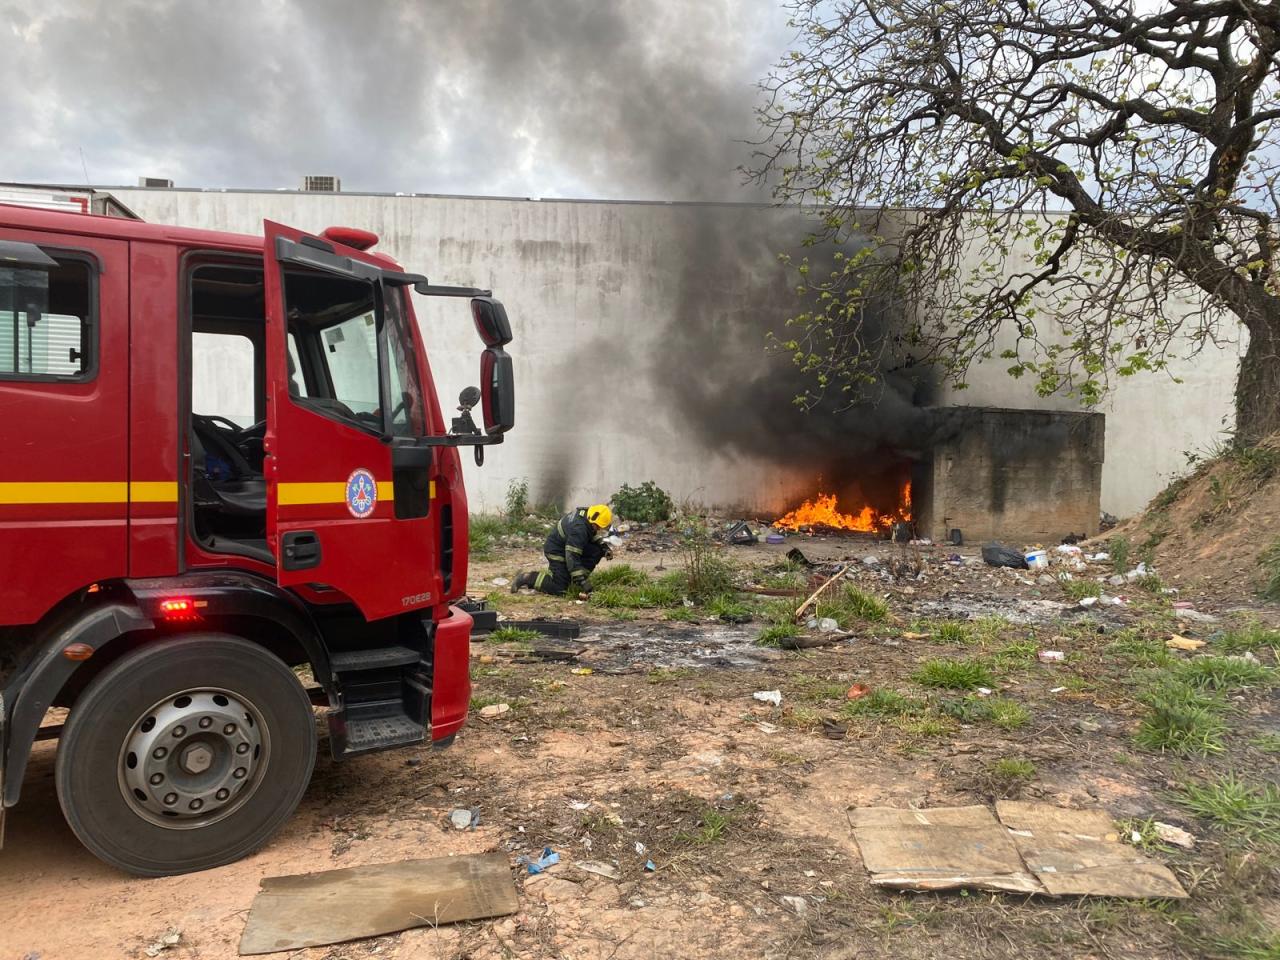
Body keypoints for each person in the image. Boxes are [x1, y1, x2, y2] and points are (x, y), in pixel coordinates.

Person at [512, 504, 613, 596]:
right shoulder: (579, 528)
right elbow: (572, 557)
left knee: (597, 550)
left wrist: (603, 547)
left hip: (566, 545)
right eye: (598, 526)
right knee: (560, 588)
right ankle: (528, 578)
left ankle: (575, 579)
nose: (598, 529)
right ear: (593, 520)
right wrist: (582, 581)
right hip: (556, 550)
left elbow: (590, 534)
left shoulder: (586, 515)